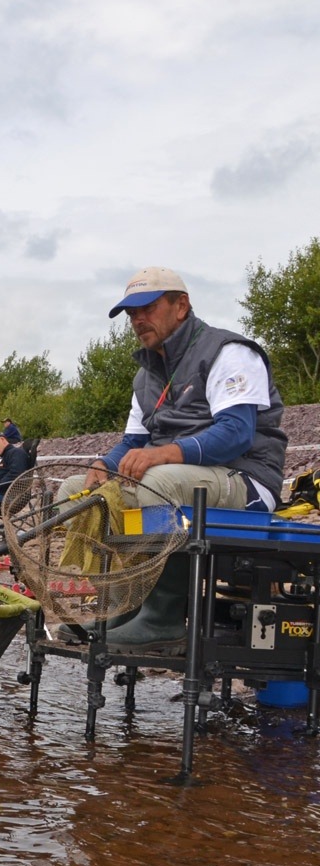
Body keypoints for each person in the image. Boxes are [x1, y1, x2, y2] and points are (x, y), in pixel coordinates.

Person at [59, 265, 287, 652]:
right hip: (176, 475)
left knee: (158, 482)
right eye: (131, 314)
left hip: (245, 481)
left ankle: (162, 618)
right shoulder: (145, 375)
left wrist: (163, 454)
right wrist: (103, 465)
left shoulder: (228, 352)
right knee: (74, 490)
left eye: (147, 308)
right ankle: (123, 606)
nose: (138, 320)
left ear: (181, 306)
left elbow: (236, 432)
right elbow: (133, 441)